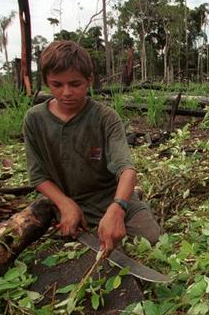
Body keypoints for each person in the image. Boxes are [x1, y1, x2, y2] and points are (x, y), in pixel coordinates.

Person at [23, 40, 163, 255]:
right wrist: (65, 204)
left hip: (110, 196)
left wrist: (117, 208)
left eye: (75, 84)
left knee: (150, 238)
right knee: (70, 248)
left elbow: (126, 169)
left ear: (89, 81)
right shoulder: (35, 119)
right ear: (46, 82)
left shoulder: (105, 117)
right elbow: (38, 175)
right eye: (57, 85)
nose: (66, 92)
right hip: (71, 201)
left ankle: (131, 202)